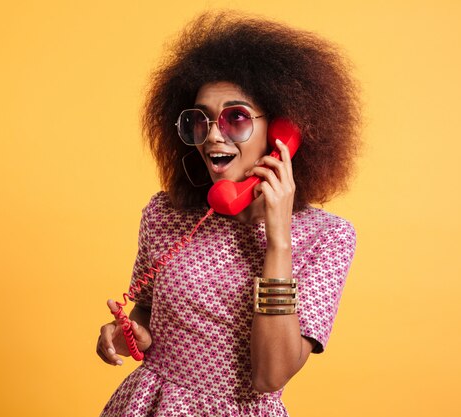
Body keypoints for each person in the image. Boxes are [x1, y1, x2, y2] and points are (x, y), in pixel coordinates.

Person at [96, 11, 361, 417]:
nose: (214, 135)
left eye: (235, 118)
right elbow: (145, 307)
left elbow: (270, 377)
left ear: (280, 133)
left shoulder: (327, 237)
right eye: (199, 120)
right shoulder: (165, 213)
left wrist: (279, 241)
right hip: (150, 405)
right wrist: (131, 335)